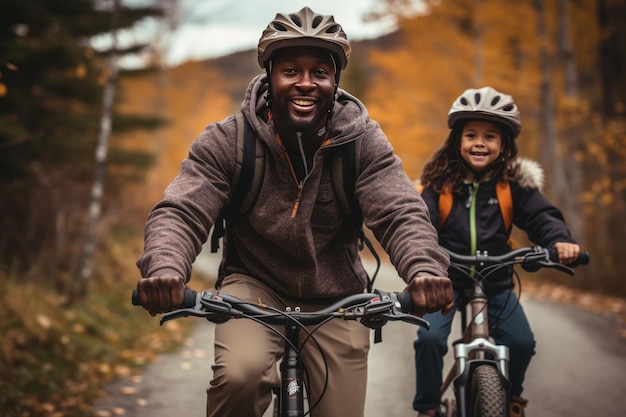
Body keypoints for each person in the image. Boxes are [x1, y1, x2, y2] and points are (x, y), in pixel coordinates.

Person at [135, 7, 453, 417]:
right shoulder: (229, 140)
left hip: (339, 295)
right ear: (270, 76)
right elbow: (182, 210)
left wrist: (424, 268)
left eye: (320, 71)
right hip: (253, 287)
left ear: (335, 81)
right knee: (240, 377)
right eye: (290, 70)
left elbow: (400, 211)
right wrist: (165, 266)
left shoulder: (362, 142)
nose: (306, 83)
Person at [411, 86, 581, 417]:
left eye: (490, 136)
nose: (479, 143)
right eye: (471, 134)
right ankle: (428, 406)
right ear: (457, 142)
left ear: (504, 146)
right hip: (447, 280)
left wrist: (558, 241)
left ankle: (511, 397)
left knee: (521, 343)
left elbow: (542, 217)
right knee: (429, 341)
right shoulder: (438, 185)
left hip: (497, 281)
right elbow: (419, 221)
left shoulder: (512, 185)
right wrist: (423, 256)